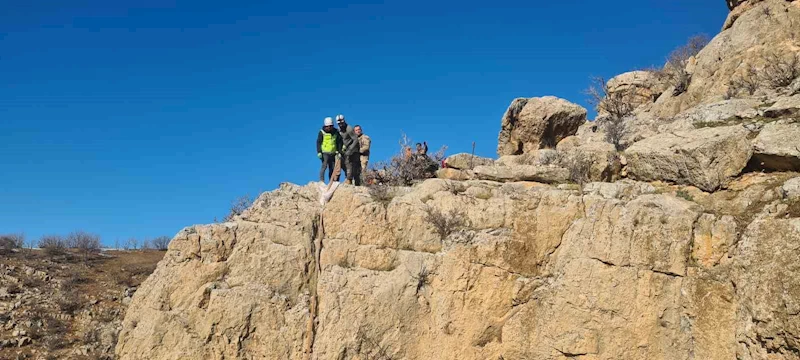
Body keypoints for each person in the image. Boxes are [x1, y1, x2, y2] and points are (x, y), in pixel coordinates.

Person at [336, 114, 361, 185]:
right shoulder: (339, 130)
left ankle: (349, 179)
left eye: (342, 123)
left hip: (352, 149)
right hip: (343, 149)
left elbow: (355, 139)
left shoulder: (349, 128)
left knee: (348, 163)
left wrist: (350, 149)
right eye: (339, 123)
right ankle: (347, 177)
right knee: (342, 164)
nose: (341, 125)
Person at [316, 117, 342, 183]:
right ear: (325, 126)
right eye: (328, 126)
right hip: (324, 153)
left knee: (332, 168)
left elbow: (339, 142)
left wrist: (339, 151)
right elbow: (318, 142)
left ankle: (331, 181)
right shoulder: (321, 132)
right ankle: (321, 181)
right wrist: (319, 152)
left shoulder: (336, 132)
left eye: (331, 126)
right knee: (324, 166)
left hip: (333, 153)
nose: (329, 128)